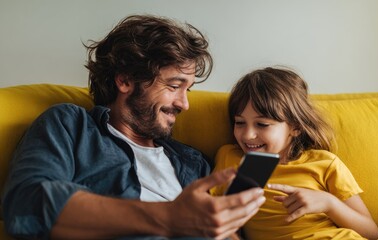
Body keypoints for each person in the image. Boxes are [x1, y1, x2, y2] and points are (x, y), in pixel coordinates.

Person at [1, 15, 266, 240]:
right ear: (125, 80)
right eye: (174, 86)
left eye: (188, 89)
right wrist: (168, 217)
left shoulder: (194, 162)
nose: (185, 104)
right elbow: (26, 204)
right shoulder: (71, 126)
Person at [211, 66, 378, 239]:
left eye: (262, 124)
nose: (247, 135)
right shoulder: (231, 159)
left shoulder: (325, 163)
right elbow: (216, 218)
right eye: (240, 123)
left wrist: (329, 203)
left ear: (295, 127)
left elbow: (372, 233)